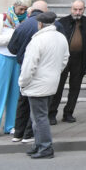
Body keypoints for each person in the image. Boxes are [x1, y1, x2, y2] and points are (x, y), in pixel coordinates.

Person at [18, 11, 68, 159]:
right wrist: (55, 72)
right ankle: (38, 144)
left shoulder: (37, 40)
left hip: (37, 84)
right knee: (38, 117)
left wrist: (22, 82)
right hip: (51, 82)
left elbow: (29, 66)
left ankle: (45, 147)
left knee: (39, 118)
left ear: (40, 24)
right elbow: (65, 59)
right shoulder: (61, 37)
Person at [8, 0, 49, 144]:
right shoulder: (51, 27)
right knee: (38, 104)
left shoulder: (22, 26)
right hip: (42, 70)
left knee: (23, 100)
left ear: (30, 11)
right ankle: (28, 133)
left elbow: (12, 48)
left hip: (23, 67)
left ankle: (18, 133)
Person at [49, 0, 86, 124]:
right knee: (58, 87)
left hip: (80, 59)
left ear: (84, 9)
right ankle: (51, 113)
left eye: (80, 9)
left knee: (75, 87)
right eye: (75, 9)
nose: (77, 12)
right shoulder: (61, 23)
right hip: (63, 58)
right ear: (71, 9)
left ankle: (68, 113)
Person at [0, 0, 29, 138]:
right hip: (2, 57)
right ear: (15, 5)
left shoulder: (26, 20)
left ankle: (11, 125)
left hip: (17, 59)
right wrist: (12, 37)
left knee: (15, 93)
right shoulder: (3, 17)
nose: (22, 12)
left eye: (25, 9)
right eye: (20, 9)